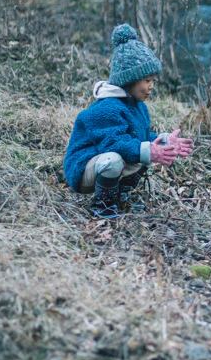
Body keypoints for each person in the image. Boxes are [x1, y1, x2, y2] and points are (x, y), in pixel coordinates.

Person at [63, 23, 193, 217]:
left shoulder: (138, 106)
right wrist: (148, 150)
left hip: (102, 159)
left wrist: (164, 141)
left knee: (144, 151)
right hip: (83, 168)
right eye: (147, 81)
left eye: (153, 81)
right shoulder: (106, 108)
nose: (151, 87)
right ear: (129, 80)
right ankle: (104, 207)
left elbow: (140, 137)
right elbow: (113, 144)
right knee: (117, 159)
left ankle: (119, 196)